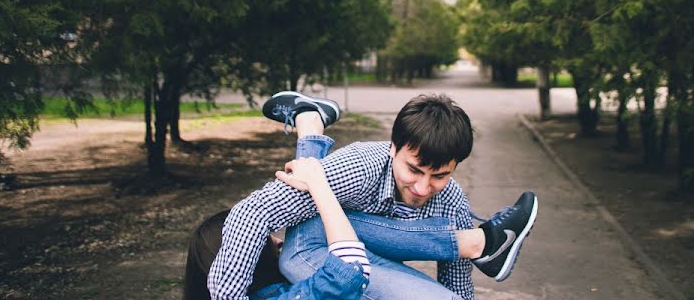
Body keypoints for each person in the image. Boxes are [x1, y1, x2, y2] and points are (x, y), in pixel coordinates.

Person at [206, 91, 538, 300]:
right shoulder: (363, 166)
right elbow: (252, 213)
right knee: (305, 239)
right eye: (413, 170)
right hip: (309, 249)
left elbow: (457, 288)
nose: (423, 188)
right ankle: (479, 243)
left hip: (356, 261)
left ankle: (309, 118)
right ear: (393, 148)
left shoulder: (451, 204)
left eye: (439, 175)